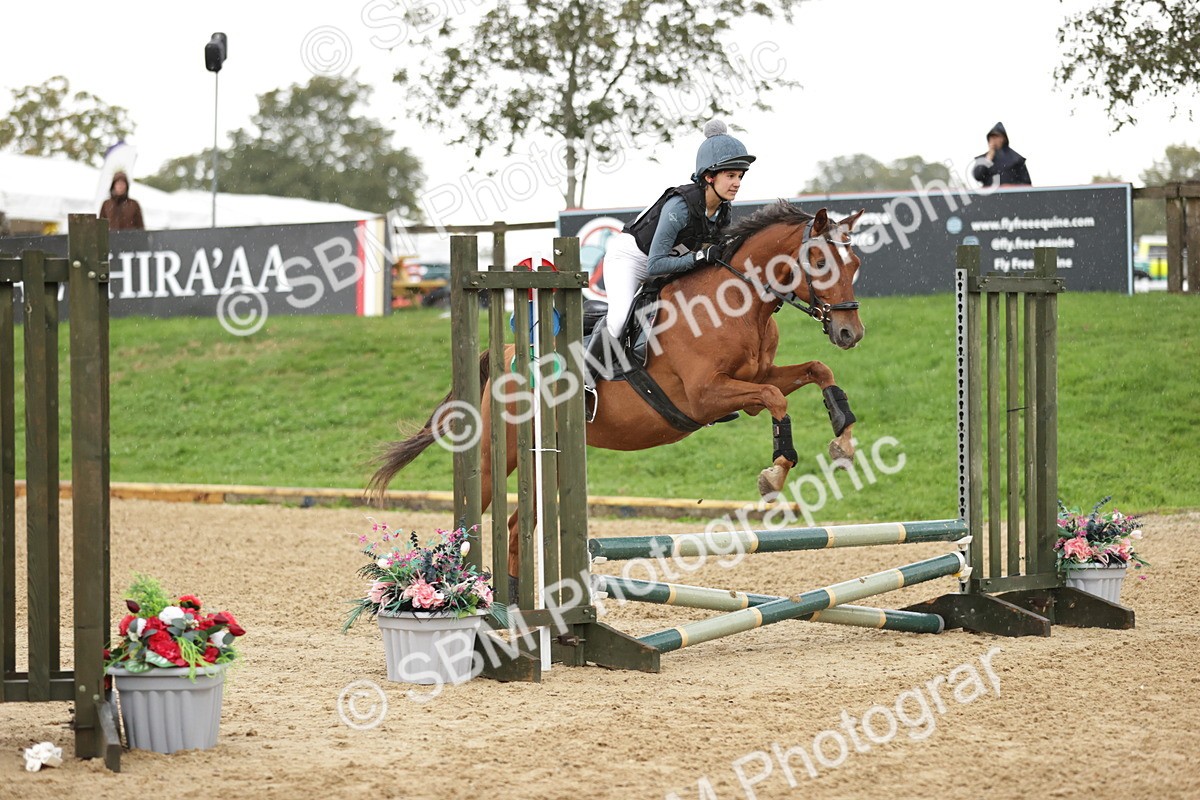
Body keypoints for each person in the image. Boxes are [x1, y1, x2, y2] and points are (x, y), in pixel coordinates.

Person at [585, 119, 754, 389]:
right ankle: (584, 380)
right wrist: (699, 258)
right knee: (618, 318)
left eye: (740, 177)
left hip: (668, 263)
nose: (737, 183)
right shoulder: (680, 206)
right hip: (632, 259)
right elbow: (654, 265)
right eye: (731, 176)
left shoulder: (723, 212)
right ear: (709, 177)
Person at [972, 122, 1031, 187]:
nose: (993, 140)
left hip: (1012, 196)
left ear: (1003, 138)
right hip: (990, 196)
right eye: (991, 137)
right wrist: (988, 159)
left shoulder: (1016, 159)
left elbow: (1027, 184)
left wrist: (1011, 187)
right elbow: (977, 176)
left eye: (996, 137)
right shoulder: (984, 159)